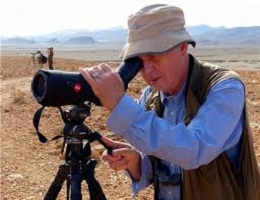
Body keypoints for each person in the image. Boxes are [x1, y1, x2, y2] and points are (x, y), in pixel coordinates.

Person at [80, 4, 260, 200]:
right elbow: (167, 164)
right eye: (138, 62)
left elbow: (194, 150)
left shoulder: (224, 87)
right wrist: (137, 163)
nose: (147, 70)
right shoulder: (151, 95)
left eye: (154, 56)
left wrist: (119, 104)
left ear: (182, 47)